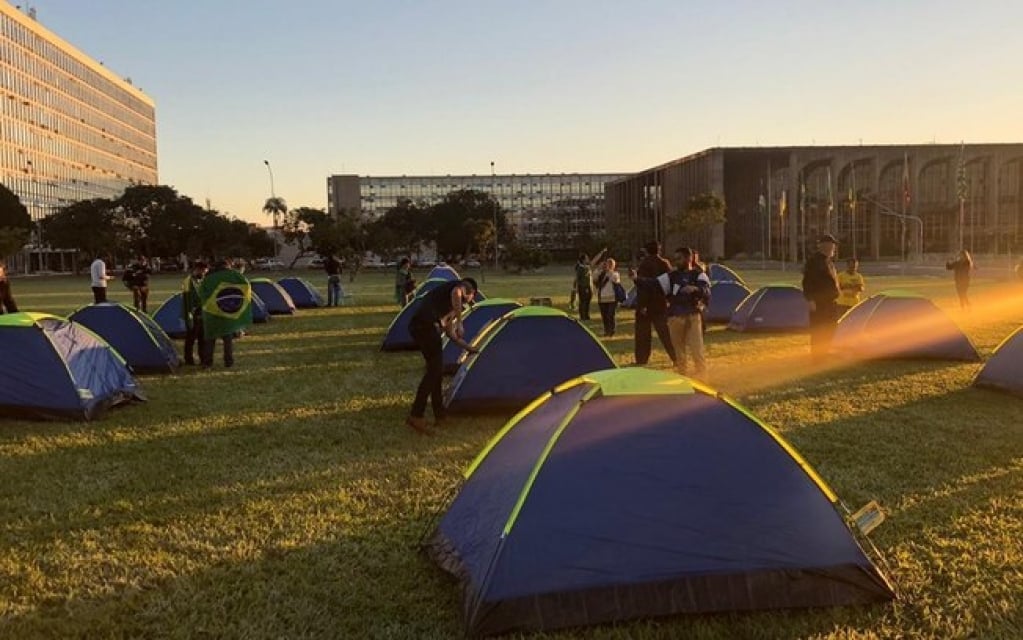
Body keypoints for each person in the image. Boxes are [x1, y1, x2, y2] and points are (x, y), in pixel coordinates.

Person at [406, 277, 479, 434]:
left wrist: (468, 348)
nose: (469, 303)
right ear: (471, 292)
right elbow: (457, 292)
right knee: (434, 372)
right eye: (471, 298)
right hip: (426, 326)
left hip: (419, 328)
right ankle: (416, 415)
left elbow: (449, 332)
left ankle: (440, 415)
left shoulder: (448, 304)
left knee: (436, 371)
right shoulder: (457, 288)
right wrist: (461, 321)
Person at [647, 247, 712, 377]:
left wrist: (695, 289)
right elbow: (654, 284)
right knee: (679, 352)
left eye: (679, 258)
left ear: (689, 258)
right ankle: (683, 378)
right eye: (675, 259)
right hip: (675, 317)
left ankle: (703, 378)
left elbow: (707, 292)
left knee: (696, 350)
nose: (676, 261)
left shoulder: (698, 275)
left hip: (693, 316)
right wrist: (637, 279)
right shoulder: (672, 276)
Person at [632, 240, 677, 366]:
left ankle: (641, 360)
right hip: (661, 304)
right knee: (666, 334)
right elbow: (669, 283)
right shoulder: (665, 263)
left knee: (643, 335)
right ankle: (676, 357)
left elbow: (643, 287)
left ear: (646, 251)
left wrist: (642, 305)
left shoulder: (644, 264)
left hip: (646, 305)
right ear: (659, 250)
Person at [802, 234, 841, 360]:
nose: (833, 248)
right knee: (819, 329)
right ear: (823, 246)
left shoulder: (828, 261)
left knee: (829, 327)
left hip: (830, 302)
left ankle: (824, 352)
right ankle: (818, 356)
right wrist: (810, 300)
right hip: (819, 302)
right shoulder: (814, 261)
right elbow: (807, 282)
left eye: (833, 245)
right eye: (831, 245)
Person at [200, 259, 237, 369]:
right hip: (226, 309)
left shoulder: (208, 277)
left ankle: (207, 363)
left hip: (211, 311)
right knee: (227, 339)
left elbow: (203, 293)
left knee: (210, 338)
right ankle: (228, 362)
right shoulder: (231, 276)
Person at [181, 261, 207, 365]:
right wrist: (188, 315)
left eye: (205, 271)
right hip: (193, 313)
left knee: (202, 337)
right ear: (197, 269)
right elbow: (187, 299)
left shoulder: (203, 280)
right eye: (203, 271)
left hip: (203, 312)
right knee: (191, 338)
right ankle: (189, 359)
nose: (204, 273)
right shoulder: (188, 281)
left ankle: (203, 358)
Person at [574, 248, 607, 321]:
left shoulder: (587, 267)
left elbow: (595, 260)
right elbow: (577, 279)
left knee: (588, 301)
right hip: (583, 287)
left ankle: (586, 315)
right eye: (586, 258)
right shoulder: (580, 268)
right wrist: (576, 288)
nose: (588, 259)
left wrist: (601, 252)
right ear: (583, 260)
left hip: (589, 287)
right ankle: (583, 316)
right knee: (583, 302)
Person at [594, 257, 623, 337]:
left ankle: (612, 331)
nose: (607, 265)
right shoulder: (601, 274)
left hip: (612, 298)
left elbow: (615, 280)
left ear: (613, 266)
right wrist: (599, 269)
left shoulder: (615, 273)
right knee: (604, 316)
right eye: (607, 264)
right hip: (602, 298)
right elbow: (594, 278)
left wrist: (609, 271)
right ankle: (606, 331)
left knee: (610, 315)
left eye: (610, 264)